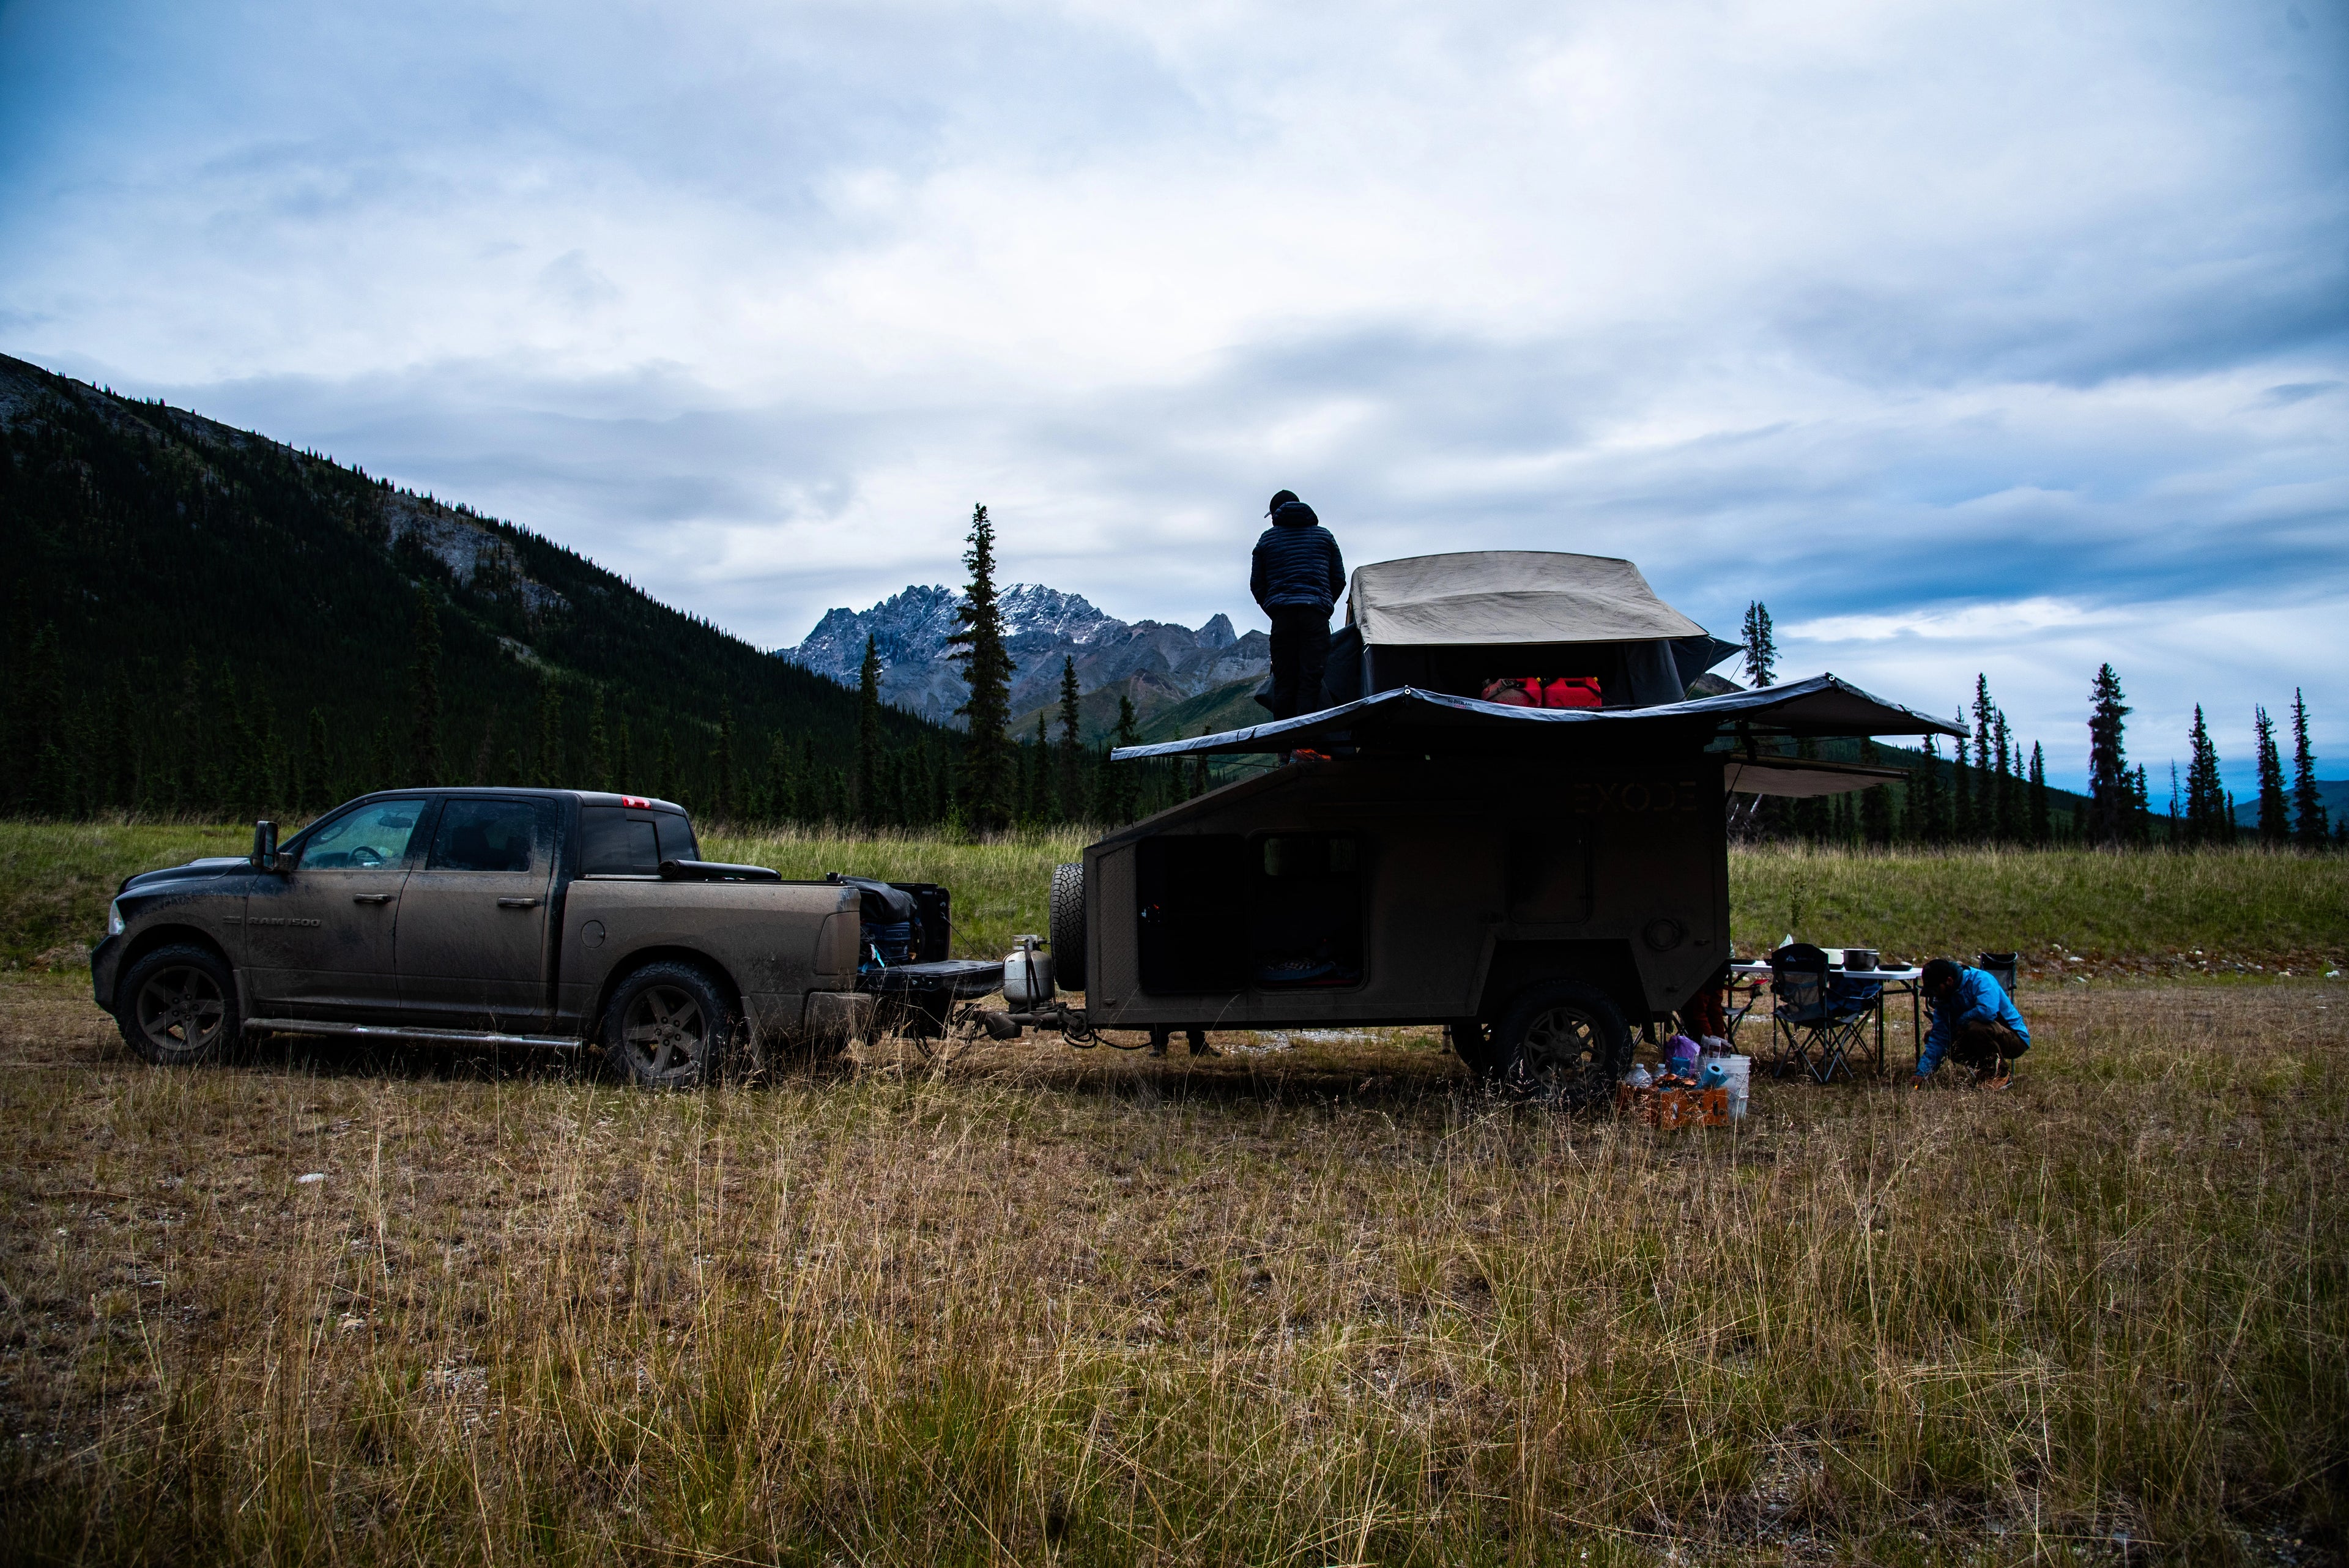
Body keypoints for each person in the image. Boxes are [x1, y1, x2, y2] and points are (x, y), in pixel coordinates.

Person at [1250, 491, 1345, 721]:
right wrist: (1322, 605)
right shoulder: (1325, 537)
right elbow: (1339, 579)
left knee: (1284, 680)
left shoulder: (1266, 540)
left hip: (1283, 619)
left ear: (1275, 514)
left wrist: (1274, 610)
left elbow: (1257, 585)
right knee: (1311, 679)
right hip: (1315, 619)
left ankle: (1285, 748)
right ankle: (1307, 747)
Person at [1913, 957, 2030, 1089]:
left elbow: (1988, 1011)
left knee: (1974, 1028)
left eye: (1936, 990)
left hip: (2015, 1039)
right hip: (1980, 1034)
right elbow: (1939, 1038)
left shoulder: (1981, 980)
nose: (1935, 996)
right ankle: (1986, 1070)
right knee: (1933, 1036)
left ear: (1949, 981)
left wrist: (1962, 1019)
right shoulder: (1944, 999)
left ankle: (2000, 1074)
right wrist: (1922, 1072)